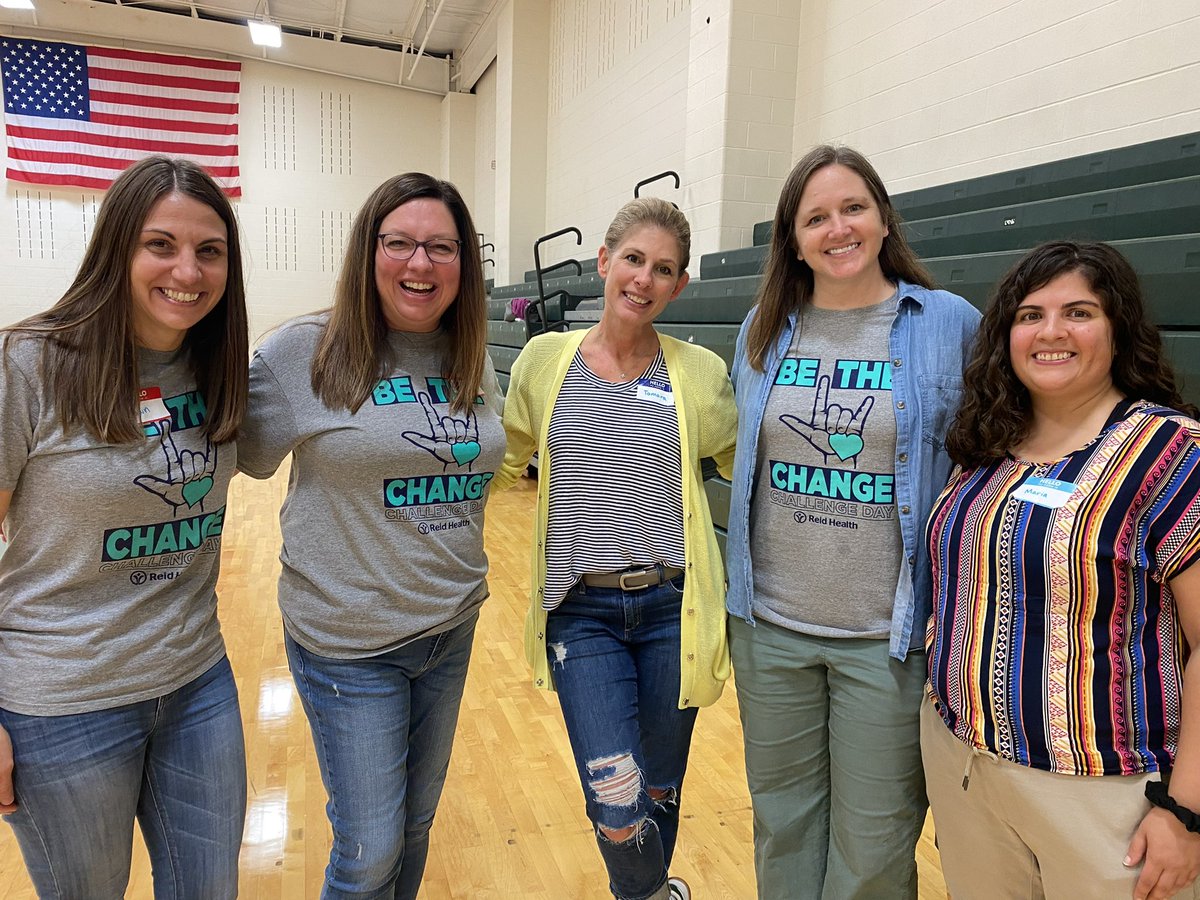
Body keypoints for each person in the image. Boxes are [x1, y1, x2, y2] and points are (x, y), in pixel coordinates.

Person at [237, 173, 504, 899]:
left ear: (463, 264)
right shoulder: (303, 352)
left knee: (414, 827)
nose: (420, 264)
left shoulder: (470, 353)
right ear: (369, 250)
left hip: (451, 628)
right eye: (401, 243)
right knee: (368, 849)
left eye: (441, 248)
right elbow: (229, 459)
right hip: (349, 644)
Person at [724, 144, 981, 898]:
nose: (838, 228)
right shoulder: (762, 331)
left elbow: (987, 452)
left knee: (874, 843)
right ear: (792, 237)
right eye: (816, 217)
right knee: (783, 823)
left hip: (887, 638)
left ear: (882, 217)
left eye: (853, 208)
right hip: (770, 627)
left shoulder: (947, 323)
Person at [0, 156, 249, 898]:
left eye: (210, 251)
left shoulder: (221, 370)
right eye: (160, 244)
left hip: (197, 683)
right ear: (117, 248)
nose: (188, 270)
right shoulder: (30, 364)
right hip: (61, 703)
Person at [924, 240, 1200, 900]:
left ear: (1118, 328)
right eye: (1030, 315)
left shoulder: (1169, 451)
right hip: (966, 768)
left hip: (1107, 799)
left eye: (1078, 312)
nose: (1051, 332)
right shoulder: (985, 445)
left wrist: (1186, 814)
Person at [497, 197, 737, 900]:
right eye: (633, 259)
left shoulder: (698, 373)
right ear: (604, 262)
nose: (643, 278)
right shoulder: (545, 362)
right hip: (582, 614)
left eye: (663, 269)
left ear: (678, 286)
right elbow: (503, 461)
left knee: (660, 788)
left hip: (672, 611)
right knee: (617, 802)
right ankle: (647, 894)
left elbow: (735, 457)